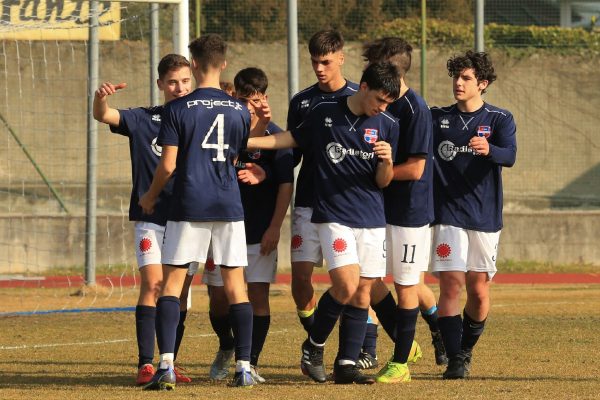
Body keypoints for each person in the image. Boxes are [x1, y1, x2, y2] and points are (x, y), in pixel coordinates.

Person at [248, 61, 401, 385]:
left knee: (362, 292)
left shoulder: (387, 124)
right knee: (345, 284)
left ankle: (346, 363)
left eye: (388, 103)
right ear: (363, 87)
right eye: (379, 100)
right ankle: (314, 346)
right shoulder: (323, 112)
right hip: (334, 215)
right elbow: (290, 139)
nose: (382, 107)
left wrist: (387, 162)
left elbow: (383, 181)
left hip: (371, 217)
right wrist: (249, 141)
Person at [139, 34, 262, 389]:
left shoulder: (177, 109)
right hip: (228, 204)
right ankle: (242, 367)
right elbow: (237, 156)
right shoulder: (240, 109)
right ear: (223, 63)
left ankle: (166, 365)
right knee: (236, 285)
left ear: (193, 64)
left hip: (189, 203)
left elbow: (168, 166)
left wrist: (150, 196)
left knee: (173, 284)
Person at [92, 53, 194, 386]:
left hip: (189, 220)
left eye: (185, 81)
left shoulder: (199, 122)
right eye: (173, 82)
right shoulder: (144, 119)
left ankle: (170, 362)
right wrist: (100, 99)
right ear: (161, 85)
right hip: (151, 219)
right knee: (153, 285)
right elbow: (105, 115)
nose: (179, 88)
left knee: (178, 294)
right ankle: (145, 364)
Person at [359, 37, 447, 383]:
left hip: (409, 212)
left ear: (393, 69)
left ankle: (400, 364)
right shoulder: (377, 103)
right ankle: (408, 343)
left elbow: (416, 169)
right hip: (377, 209)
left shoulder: (415, 109)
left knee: (407, 285)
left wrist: (380, 175)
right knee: (366, 279)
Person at [202, 67, 294, 384]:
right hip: (222, 227)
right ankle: (227, 345)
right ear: (235, 99)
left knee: (257, 295)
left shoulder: (276, 136)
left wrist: (275, 227)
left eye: (256, 99)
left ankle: (249, 362)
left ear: (265, 98)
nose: (250, 106)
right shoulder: (224, 132)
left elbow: (286, 185)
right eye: (244, 99)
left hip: (259, 230)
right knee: (218, 298)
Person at [430, 50, 516, 379]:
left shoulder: (499, 119)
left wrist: (490, 150)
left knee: (478, 291)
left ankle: (465, 349)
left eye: (466, 78)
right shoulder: (438, 119)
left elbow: (509, 156)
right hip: (448, 214)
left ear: (482, 84)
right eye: (456, 77)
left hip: (484, 216)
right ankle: (454, 359)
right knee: (451, 286)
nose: (458, 83)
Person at [287, 30, 359, 336]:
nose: (320, 68)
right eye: (315, 61)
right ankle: (315, 333)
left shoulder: (357, 98)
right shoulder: (302, 102)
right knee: (301, 279)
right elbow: (292, 152)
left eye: (326, 61)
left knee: (352, 280)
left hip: (346, 205)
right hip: (307, 201)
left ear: (341, 58)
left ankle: (361, 346)